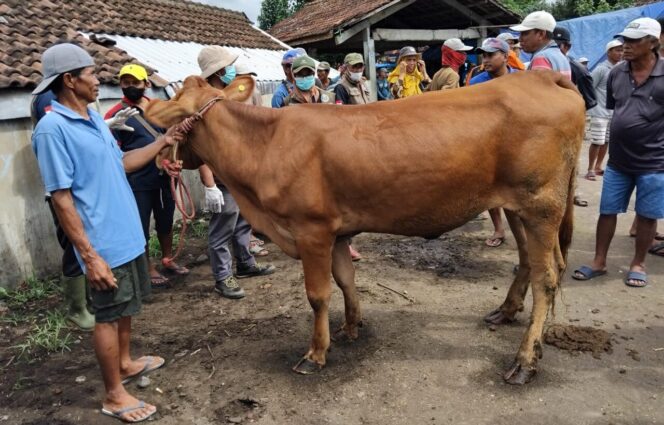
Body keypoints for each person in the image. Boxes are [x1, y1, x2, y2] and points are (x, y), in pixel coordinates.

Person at [31, 43, 180, 423]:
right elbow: (62, 199)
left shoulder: (95, 118)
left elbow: (123, 163)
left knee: (126, 307)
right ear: (70, 80)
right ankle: (114, 394)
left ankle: (127, 363)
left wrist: (162, 143)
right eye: (92, 74)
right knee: (108, 316)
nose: (99, 80)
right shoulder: (52, 130)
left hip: (127, 232)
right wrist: (90, 255)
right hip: (102, 242)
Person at [572, 18, 664, 288]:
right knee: (607, 210)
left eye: (634, 41)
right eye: (625, 40)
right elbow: (615, 107)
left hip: (655, 162)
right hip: (619, 161)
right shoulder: (617, 73)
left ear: (653, 43)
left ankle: (638, 263)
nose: (626, 46)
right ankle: (599, 261)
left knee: (647, 215)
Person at [197, 46, 276, 299]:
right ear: (220, 71)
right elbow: (200, 148)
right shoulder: (205, 103)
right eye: (228, 67)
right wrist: (209, 185)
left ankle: (245, 263)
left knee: (243, 221)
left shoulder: (229, 97)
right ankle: (222, 277)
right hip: (222, 178)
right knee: (222, 228)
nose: (232, 70)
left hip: (241, 175)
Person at [104, 64, 189, 288]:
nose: (130, 86)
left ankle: (168, 258)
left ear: (146, 84)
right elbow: (114, 153)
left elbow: (175, 137)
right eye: (126, 82)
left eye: (135, 82)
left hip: (164, 175)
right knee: (140, 225)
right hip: (137, 181)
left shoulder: (161, 108)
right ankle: (148, 267)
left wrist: (175, 160)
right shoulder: (114, 116)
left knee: (166, 221)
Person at [468, 38, 518, 248]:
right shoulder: (476, 83)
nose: (485, 59)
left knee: (516, 190)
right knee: (491, 190)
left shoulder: (521, 81)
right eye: (484, 55)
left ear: (506, 57)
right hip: (487, 144)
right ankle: (498, 228)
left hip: (516, 142)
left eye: (491, 55)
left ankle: (520, 232)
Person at [333, 52, 373, 261]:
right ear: (346, 67)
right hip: (352, 142)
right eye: (354, 67)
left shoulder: (364, 84)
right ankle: (345, 243)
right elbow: (341, 118)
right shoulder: (341, 87)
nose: (358, 71)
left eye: (360, 67)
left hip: (367, 139)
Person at [585, 40, 623, 181]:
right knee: (597, 141)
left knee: (606, 141)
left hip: (613, 112)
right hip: (599, 111)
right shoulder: (601, 69)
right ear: (608, 52)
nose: (620, 53)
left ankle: (598, 166)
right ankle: (590, 169)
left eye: (621, 50)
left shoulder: (621, 69)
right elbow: (590, 87)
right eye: (617, 50)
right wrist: (590, 106)